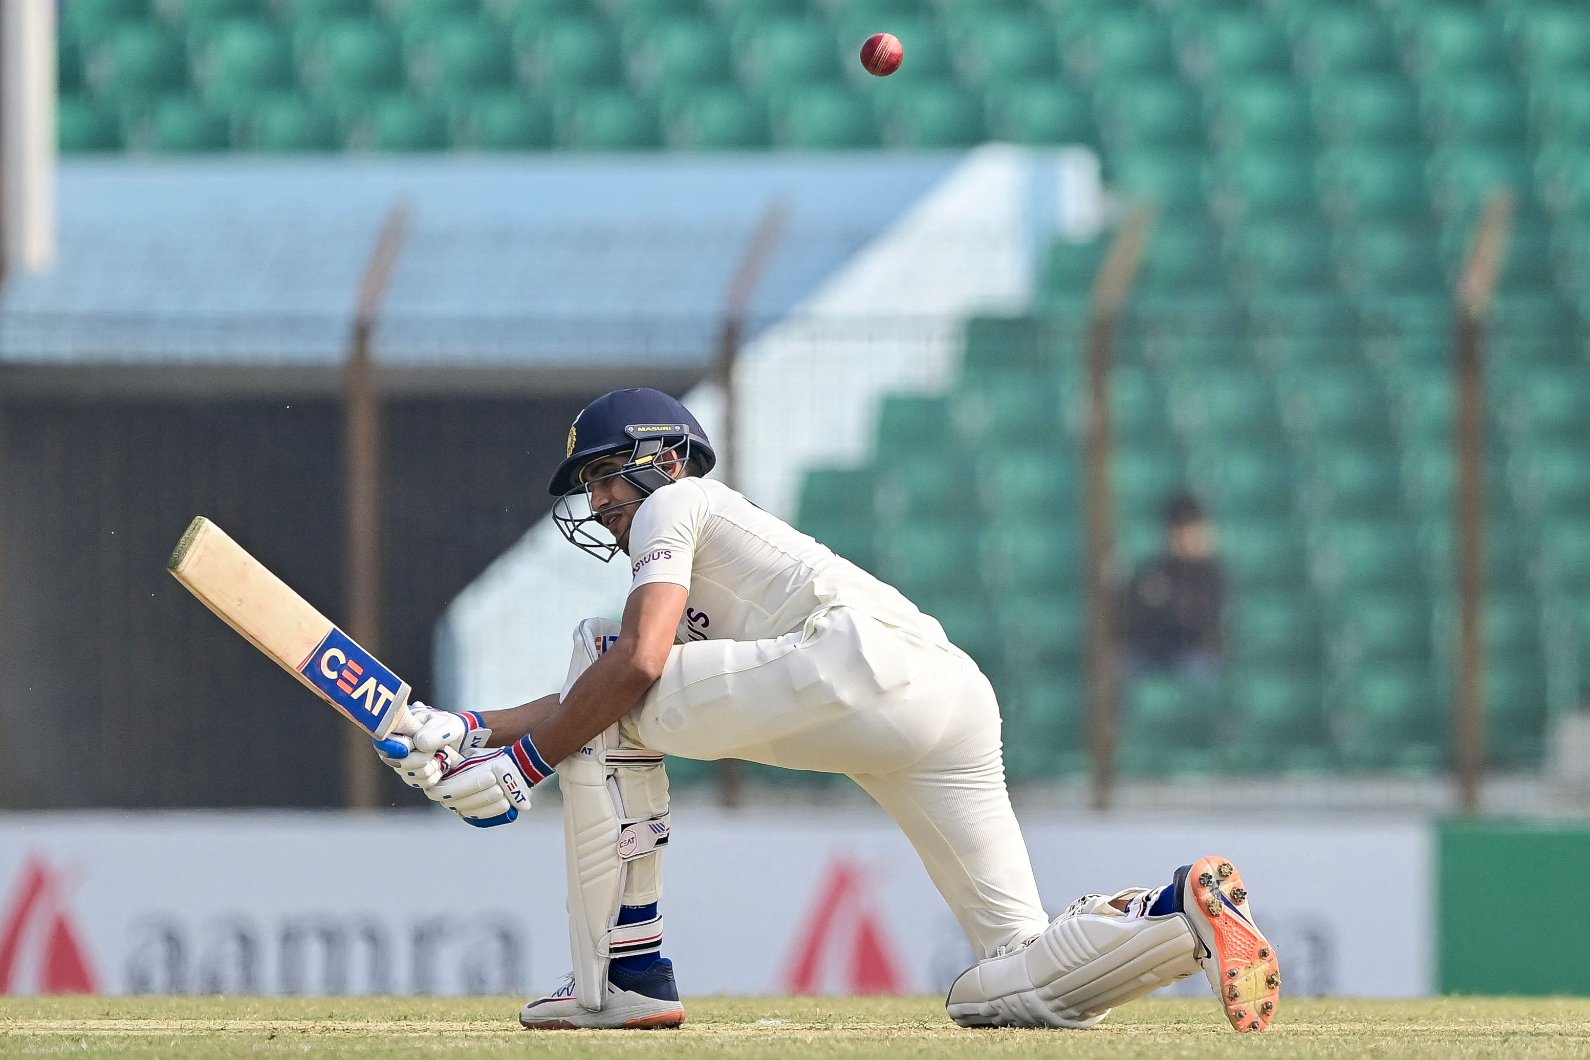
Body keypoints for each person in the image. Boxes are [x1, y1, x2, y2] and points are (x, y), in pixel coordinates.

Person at [374, 388, 1280, 1032]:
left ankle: (623, 978)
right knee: (998, 984)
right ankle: (1176, 916)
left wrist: (521, 772)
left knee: (598, 649)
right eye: (592, 483)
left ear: (673, 458)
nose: (604, 497)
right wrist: (468, 730)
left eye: (614, 472)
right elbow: (620, 693)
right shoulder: (697, 564)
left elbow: (633, 669)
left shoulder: (679, 503)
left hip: (848, 661)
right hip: (948, 696)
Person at [1121, 492, 1227, 682]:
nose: (1186, 538)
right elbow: (1136, 616)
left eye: (1192, 529)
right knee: (1125, 664)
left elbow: (1204, 620)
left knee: (1200, 671)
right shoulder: (1153, 571)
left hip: (1192, 653)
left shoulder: (1213, 574)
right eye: (1181, 530)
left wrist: (1167, 602)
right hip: (1153, 651)